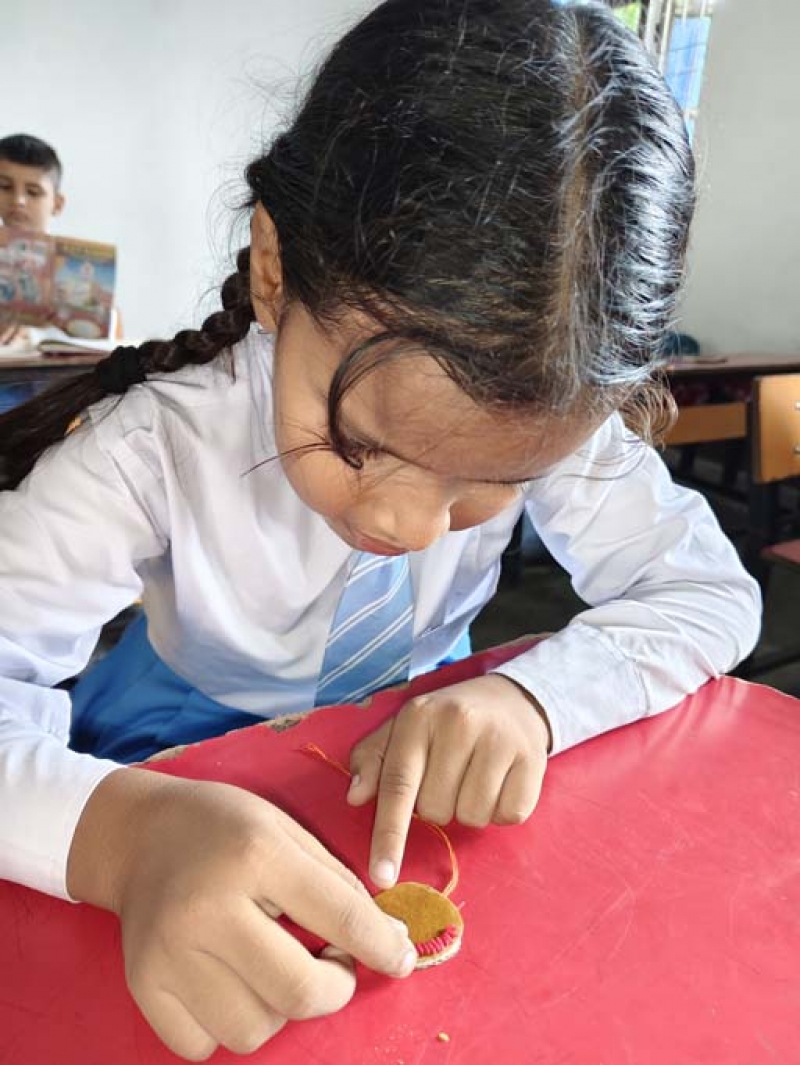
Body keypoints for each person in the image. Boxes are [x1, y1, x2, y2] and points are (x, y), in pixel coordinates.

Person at [0, 0, 760, 1059]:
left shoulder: (556, 418)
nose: (407, 525)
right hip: (171, 737)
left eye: (493, 482)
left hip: (419, 737)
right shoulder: (151, 447)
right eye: (357, 444)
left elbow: (709, 593)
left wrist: (536, 697)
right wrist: (120, 838)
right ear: (274, 268)